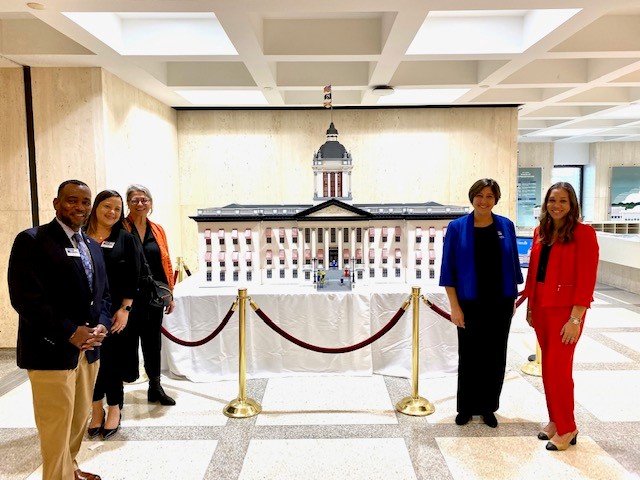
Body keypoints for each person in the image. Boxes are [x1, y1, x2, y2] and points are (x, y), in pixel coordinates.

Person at [8, 180, 111, 480]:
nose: (79, 207)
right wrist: (69, 331)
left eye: (85, 201)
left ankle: (71, 468)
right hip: (50, 350)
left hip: (89, 350)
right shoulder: (32, 240)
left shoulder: (91, 244)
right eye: (71, 200)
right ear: (56, 203)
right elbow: (26, 299)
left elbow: (103, 293)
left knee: (79, 419)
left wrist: (102, 323)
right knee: (56, 425)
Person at [440, 178, 523, 428]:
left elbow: (513, 264)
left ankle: (488, 407)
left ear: (496, 199)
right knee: (470, 356)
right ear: (471, 197)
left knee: (495, 356)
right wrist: (455, 306)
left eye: (489, 196)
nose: (484, 200)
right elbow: (448, 270)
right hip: (469, 302)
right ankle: (466, 406)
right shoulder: (457, 228)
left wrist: (513, 299)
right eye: (479, 195)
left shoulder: (506, 226)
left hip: (500, 301)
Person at [524, 182, 598, 451]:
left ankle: (568, 428)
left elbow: (586, 279)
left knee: (559, 370)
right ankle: (555, 419)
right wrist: (530, 306)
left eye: (563, 201)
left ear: (572, 205)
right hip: (542, 306)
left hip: (566, 311)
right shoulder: (540, 231)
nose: (556, 206)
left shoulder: (583, 234)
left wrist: (576, 319)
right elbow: (535, 272)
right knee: (548, 370)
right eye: (552, 200)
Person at [85, 190, 141, 440]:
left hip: (115, 312)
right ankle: (95, 408)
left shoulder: (125, 239)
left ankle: (115, 409)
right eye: (107, 206)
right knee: (90, 362)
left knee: (111, 362)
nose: (112, 212)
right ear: (96, 207)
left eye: (117, 209)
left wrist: (125, 309)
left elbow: (134, 275)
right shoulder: (81, 237)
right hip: (86, 312)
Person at [122, 184, 177, 405]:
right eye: (135, 200)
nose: (140, 204)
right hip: (127, 296)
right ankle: (119, 390)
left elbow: (166, 262)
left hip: (153, 296)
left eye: (144, 199)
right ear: (128, 203)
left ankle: (155, 387)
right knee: (126, 342)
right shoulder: (121, 227)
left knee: (153, 342)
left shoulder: (158, 229)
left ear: (151, 203)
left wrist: (170, 293)